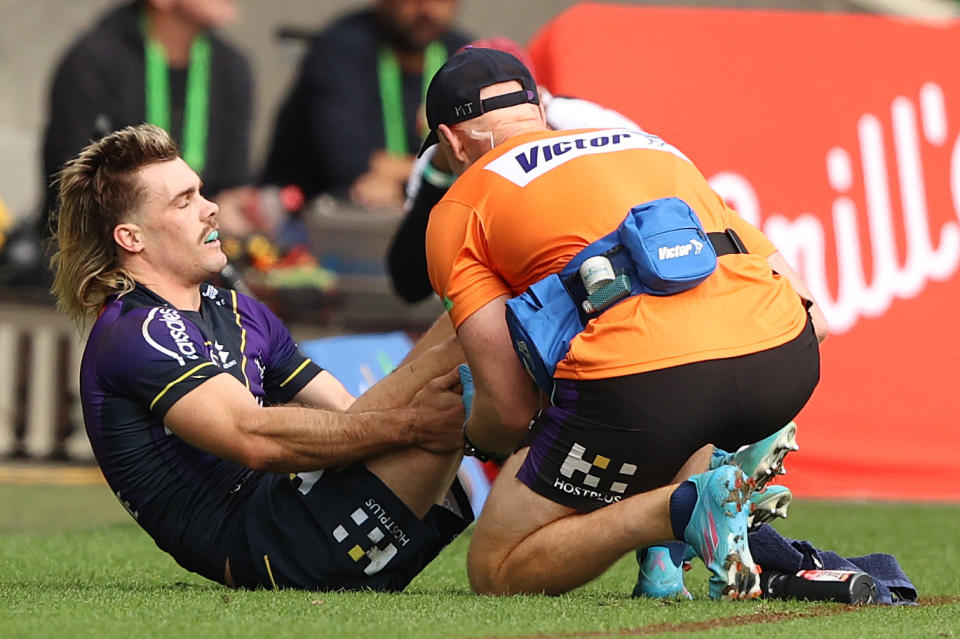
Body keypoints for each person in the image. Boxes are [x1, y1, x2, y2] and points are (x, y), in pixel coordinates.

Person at [421, 48, 828, 599]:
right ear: (537, 109)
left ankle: (682, 507)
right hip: (784, 360)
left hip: (649, 384)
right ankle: (683, 526)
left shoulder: (458, 205)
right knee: (668, 393)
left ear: (451, 140)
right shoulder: (655, 148)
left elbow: (509, 409)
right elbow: (814, 313)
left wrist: (472, 431)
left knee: (496, 568)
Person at [49, 124, 474, 591]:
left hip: (304, 502)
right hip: (270, 546)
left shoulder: (237, 309)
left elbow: (353, 415)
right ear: (132, 238)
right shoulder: (136, 331)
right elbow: (253, 439)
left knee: (473, 325)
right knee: (467, 361)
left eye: (201, 193)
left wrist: (412, 418)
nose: (210, 209)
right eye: (184, 201)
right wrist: (414, 425)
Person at [387, 37, 642, 304]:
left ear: (540, 104)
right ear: (453, 138)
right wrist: (440, 172)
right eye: (487, 122)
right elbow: (410, 282)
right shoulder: (443, 151)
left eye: (513, 114)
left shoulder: (589, 125)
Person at [40, 0, 254, 240]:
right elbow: (75, 184)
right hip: (111, 246)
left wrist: (238, 207)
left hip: (202, 241)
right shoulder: (93, 61)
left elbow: (234, 183)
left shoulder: (233, 68)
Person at [261, 0, 470, 210]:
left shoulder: (463, 54)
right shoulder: (341, 47)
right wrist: (447, 169)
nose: (429, 9)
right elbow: (346, 164)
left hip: (415, 212)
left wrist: (403, 178)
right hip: (312, 216)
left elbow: (483, 157)